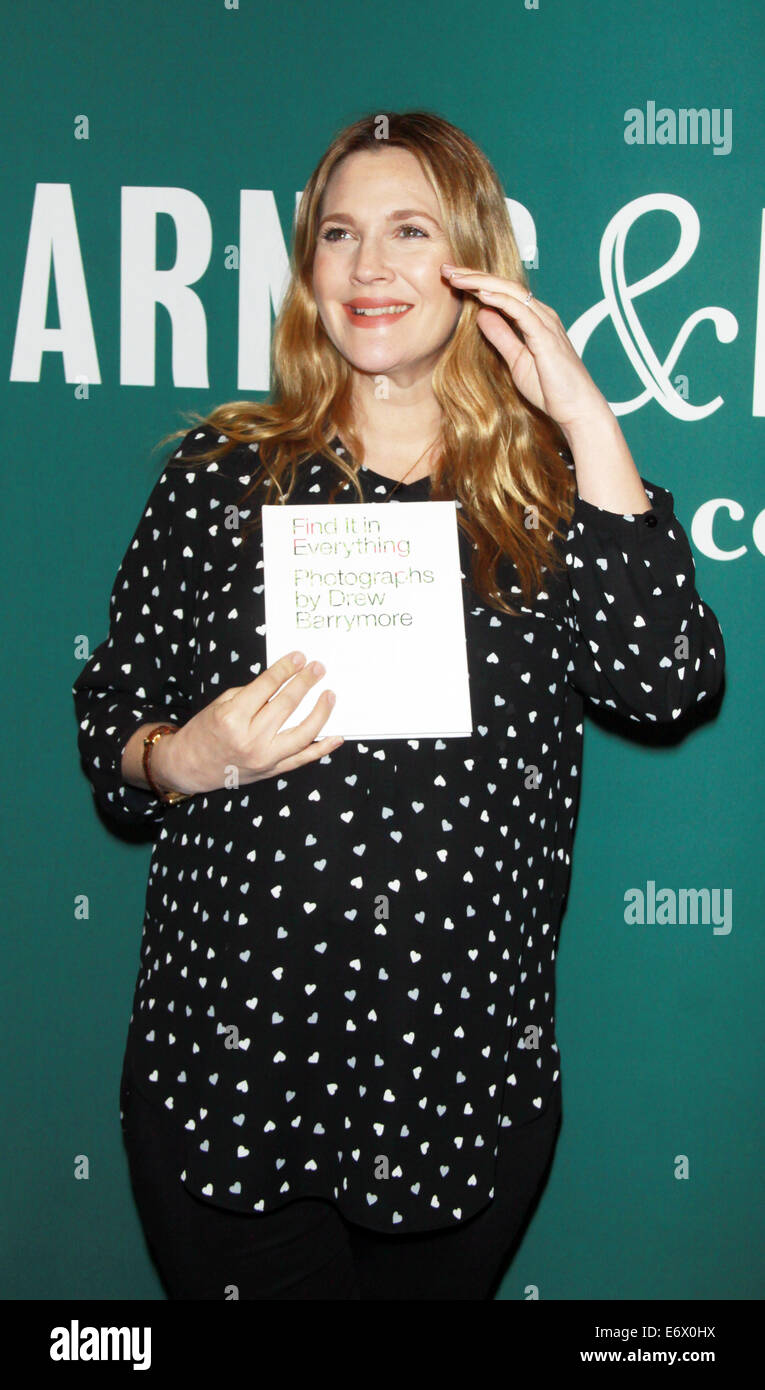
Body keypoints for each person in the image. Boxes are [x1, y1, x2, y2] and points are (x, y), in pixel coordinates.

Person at [72, 110, 725, 1300]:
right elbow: (110, 712)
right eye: (339, 234)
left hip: (457, 1087)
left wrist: (582, 416)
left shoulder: (554, 494)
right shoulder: (218, 479)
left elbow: (670, 679)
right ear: (308, 269)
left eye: (409, 230)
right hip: (229, 1081)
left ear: (471, 260)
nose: (368, 267)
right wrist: (181, 758)